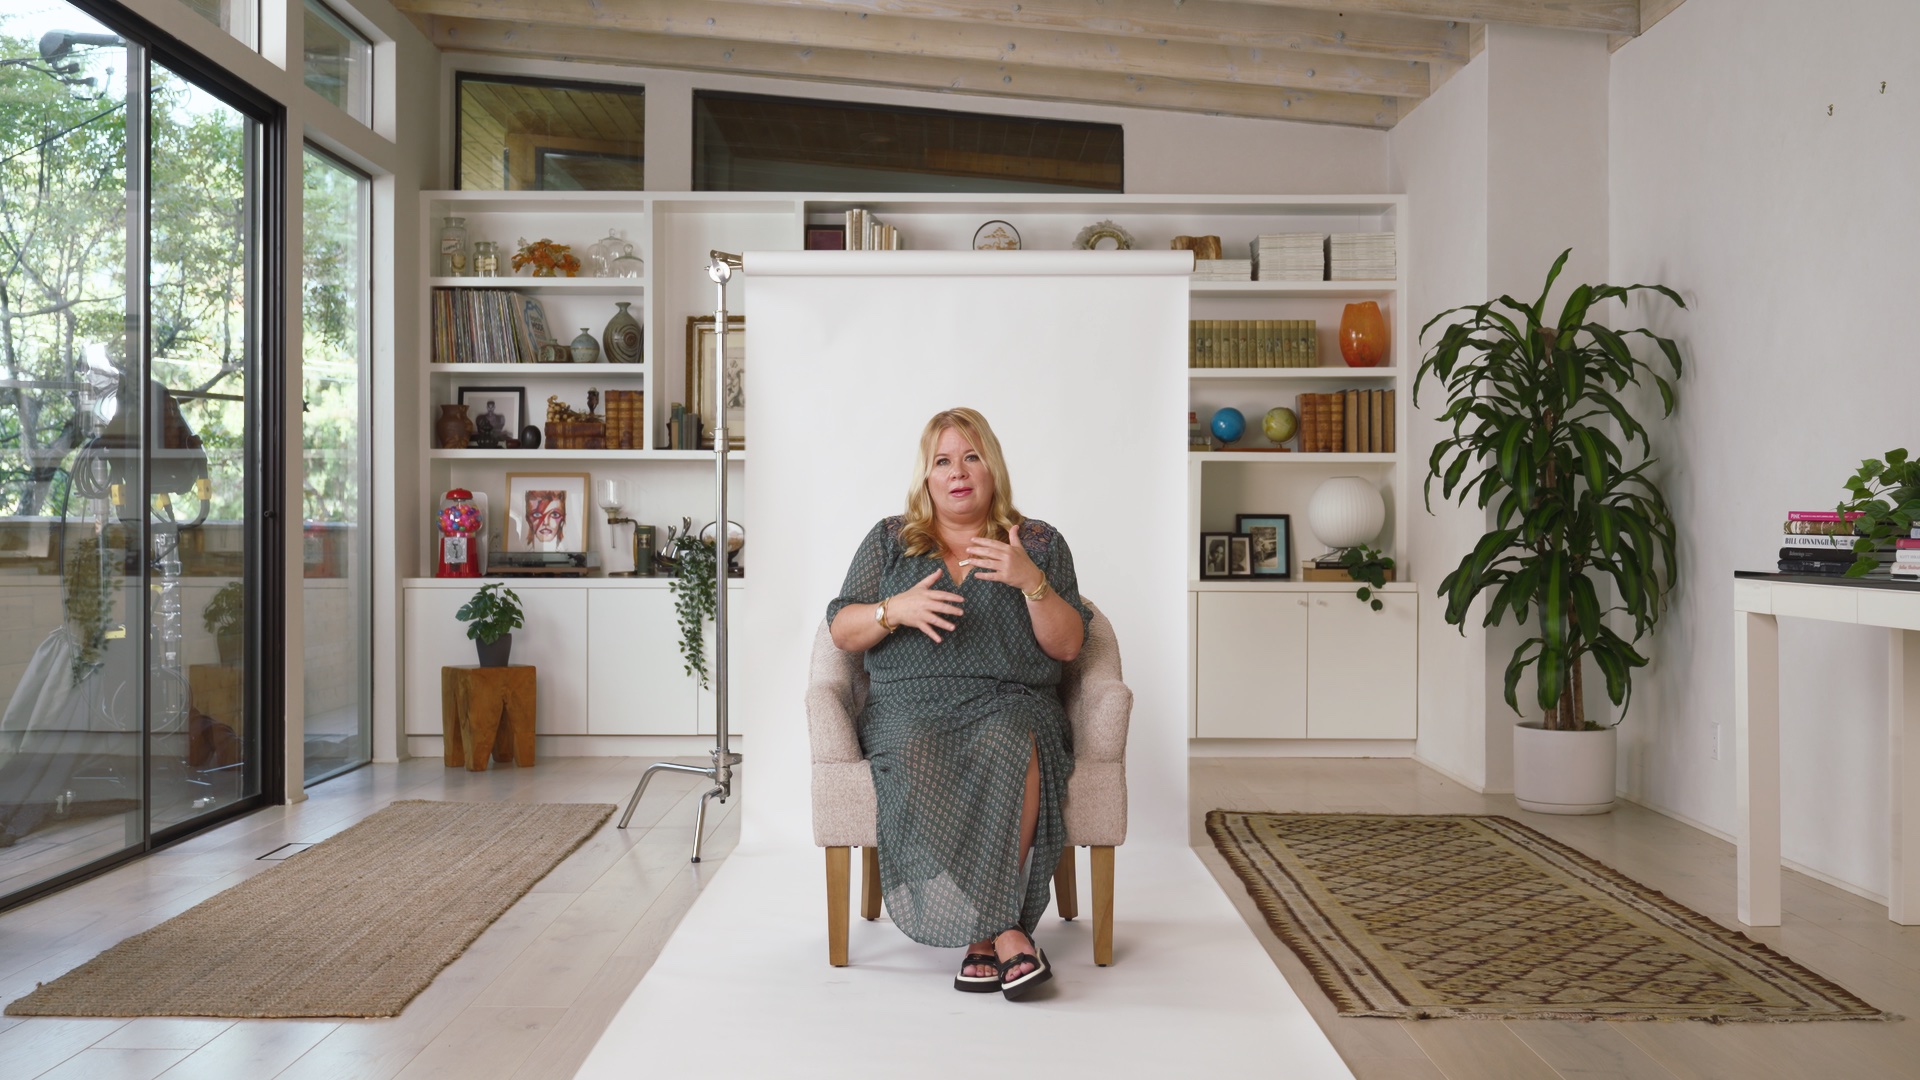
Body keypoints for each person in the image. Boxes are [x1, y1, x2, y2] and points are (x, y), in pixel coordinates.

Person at [827, 407, 1089, 1001]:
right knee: (918, 745)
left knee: (1011, 734)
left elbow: (1070, 645)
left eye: (971, 457)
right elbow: (842, 630)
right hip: (908, 706)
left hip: (1009, 699)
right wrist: (892, 611)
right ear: (926, 477)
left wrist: (1031, 581)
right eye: (943, 461)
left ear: (992, 467)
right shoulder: (891, 541)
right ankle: (1004, 931)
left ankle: (981, 938)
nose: (958, 472)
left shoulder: (1038, 543)